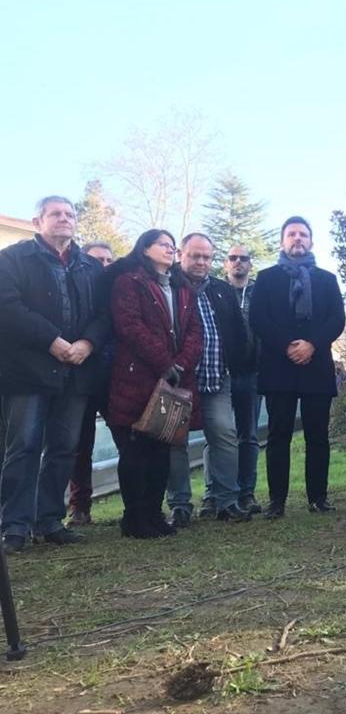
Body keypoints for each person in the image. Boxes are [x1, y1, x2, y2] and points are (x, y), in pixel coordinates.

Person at [0, 197, 112, 552]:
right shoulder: (13, 259)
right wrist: (52, 340)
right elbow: (7, 307)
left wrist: (87, 343)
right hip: (28, 371)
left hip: (76, 371)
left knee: (64, 448)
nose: (64, 219)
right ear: (38, 222)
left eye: (70, 214)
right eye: (56, 214)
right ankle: (15, 526)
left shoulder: (90, 267)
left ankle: (49, 520)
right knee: (23, 447)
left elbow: (106, 314)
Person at [105, 230, 202, 539]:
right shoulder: (129, 282)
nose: (169, 250)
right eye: (162, 244)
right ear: (144, 248)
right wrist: (165, 363)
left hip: (173, 380)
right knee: (136, 450)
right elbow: (129, 326)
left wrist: (181, 364)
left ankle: (154, 514)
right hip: (138, 377)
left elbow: (195, 333)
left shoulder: (183, 287)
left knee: (162, 450)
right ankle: (134, 517)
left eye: (172, 246)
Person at [249, 216, 346, 518]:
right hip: (279, 366)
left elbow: (336, 319)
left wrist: (312, 345)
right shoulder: (266, 278)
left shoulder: (327, 279)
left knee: (317, 436)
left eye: (303, 234)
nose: (297, 239)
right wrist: (288, 345)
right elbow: (258, 319)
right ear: (282, 241)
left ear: (311, 241)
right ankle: (276, 501)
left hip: (316, 365)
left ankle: (318, 498)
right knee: (279, 435)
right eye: (291, 234)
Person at [165, 233, 252, 526]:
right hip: (178, 379)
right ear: (180, 255)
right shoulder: (166, 285)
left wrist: (239, 363)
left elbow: (238, 330)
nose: (201, 262)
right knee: (175, 441)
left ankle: (226, 501)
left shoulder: (221, 289)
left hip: (217, 378)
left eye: (206, 257)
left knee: (224, 435)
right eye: (195, 256)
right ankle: (180, 505)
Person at [67, 242, 117, 526]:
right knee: (79, 444)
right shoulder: (81, 292)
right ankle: (79, 506)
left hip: (116, 377)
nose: (105, 265)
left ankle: (137, 499)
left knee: (128, 437)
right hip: (83, 375)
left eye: (109, 259)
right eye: (98, 259)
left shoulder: (121, 291)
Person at [225, 244, 262, 514]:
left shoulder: (260, 292)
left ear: (250, 264)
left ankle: (247, 493)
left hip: (252, 373)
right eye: (233, 258)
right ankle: (218, 493)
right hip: (220, 374)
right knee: (219, 435)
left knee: (248, 435)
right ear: (226, 263)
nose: (238, 262)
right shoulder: (215, 290)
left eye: (244, 258)